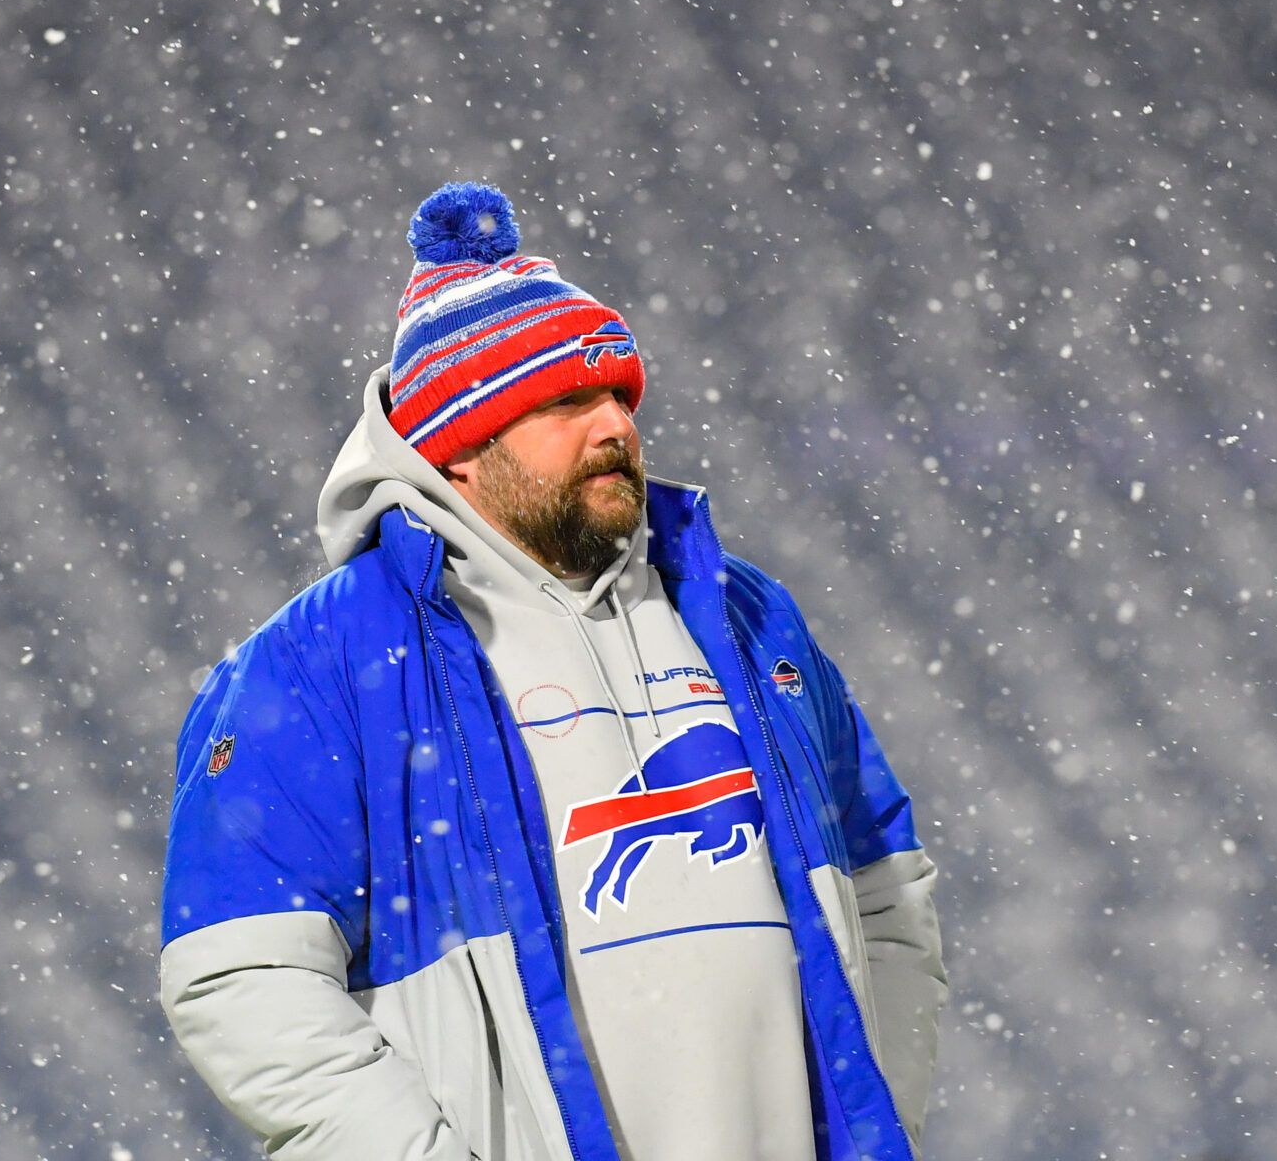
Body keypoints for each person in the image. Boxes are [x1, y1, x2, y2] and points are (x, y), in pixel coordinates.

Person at [160, 182, 948, 1161]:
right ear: (459, 448)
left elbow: (886, 889)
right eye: (568, 400)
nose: (614, 423)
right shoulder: (315, 664)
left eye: (620, 391)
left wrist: (878, 1121)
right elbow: (240, 977)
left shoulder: (746, 616)